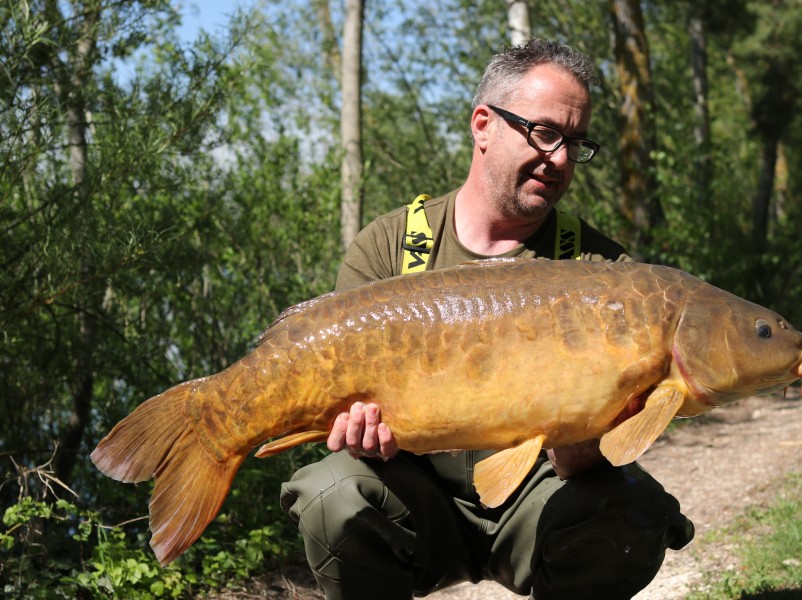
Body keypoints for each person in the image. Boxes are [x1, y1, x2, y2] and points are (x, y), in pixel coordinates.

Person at [281, 38, 693, 600]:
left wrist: (587, 442)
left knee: (629, 508)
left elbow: (597, 458)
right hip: (419, 502)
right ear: (483, 124)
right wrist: (359, 435)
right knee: (334, 494)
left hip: (535, 504)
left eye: (577, 143)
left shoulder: (604, 274)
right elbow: (347, 417)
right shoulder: (390, 247)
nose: (563, 160)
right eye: (546, 133)